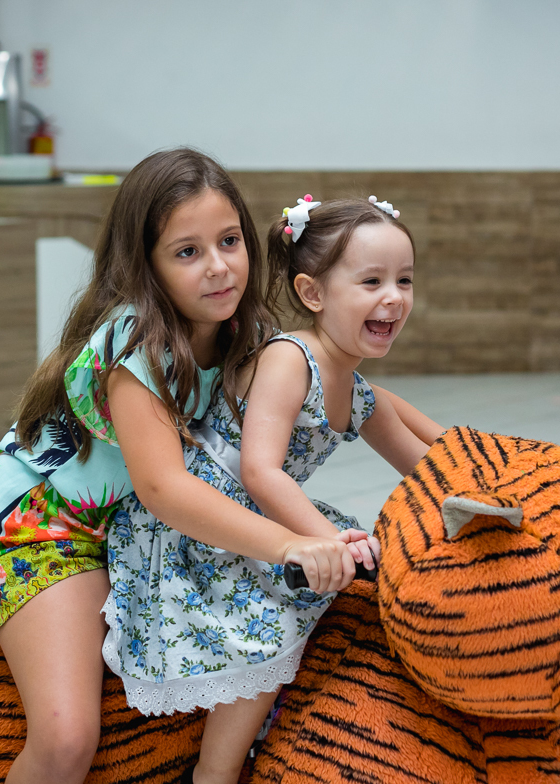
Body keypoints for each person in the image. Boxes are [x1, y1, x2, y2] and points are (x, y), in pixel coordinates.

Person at [0, 149, 364, 784]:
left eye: (229, 241)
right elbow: (166, 488)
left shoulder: (242, 333)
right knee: (66, 738)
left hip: (137, 530)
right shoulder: (135, 339)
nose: (219, 267)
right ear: (145, 266)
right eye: (187, 252)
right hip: (45, 531)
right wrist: (292, 543)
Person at [104, 194, 445, 784]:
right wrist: (322, 542)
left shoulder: (356, 391)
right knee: (273, 619)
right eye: (371, 281)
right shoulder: (294, 358)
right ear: (313, 295)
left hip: (262, 511)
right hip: (204, 517)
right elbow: (260, 470)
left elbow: (436, 463)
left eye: (404, 280)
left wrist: (496, 478)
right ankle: (214, 774)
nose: (393, 296)